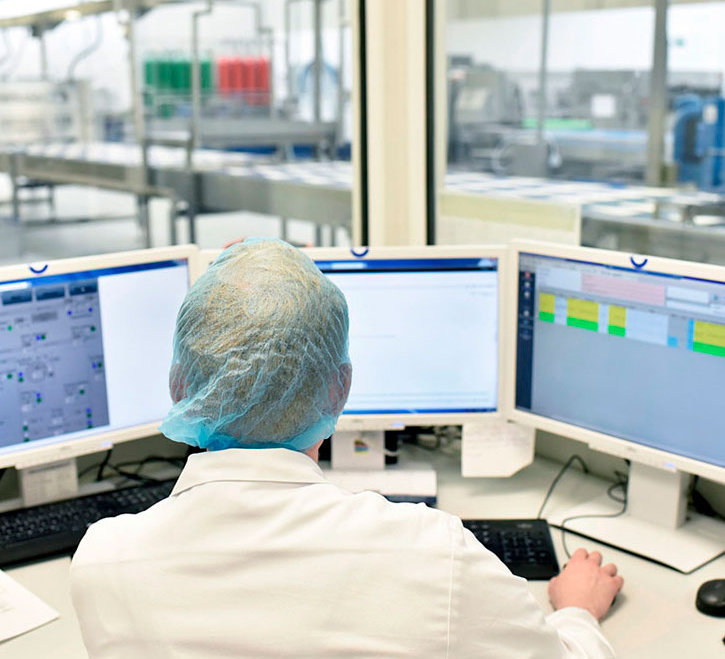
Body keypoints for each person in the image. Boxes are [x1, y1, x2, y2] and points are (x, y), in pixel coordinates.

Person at [70, 238, 622, 658]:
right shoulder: (434, 553)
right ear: (340, 388)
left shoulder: (102, 560)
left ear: (178, 389)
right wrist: (576, 611)